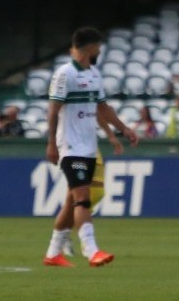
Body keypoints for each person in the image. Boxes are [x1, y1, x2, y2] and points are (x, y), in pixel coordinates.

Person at [43, 27, 137, 269]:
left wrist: (123, 129)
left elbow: (103, 108)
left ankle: (53, 253)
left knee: (71, 200)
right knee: (83, 196)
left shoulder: (94, 73)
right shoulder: (65, 74)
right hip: (70, 146)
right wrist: (52, 143)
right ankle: (91, 250)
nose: (100, 50)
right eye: (98, 45)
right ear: (90, 47)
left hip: (88, 146)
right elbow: (53, 110)